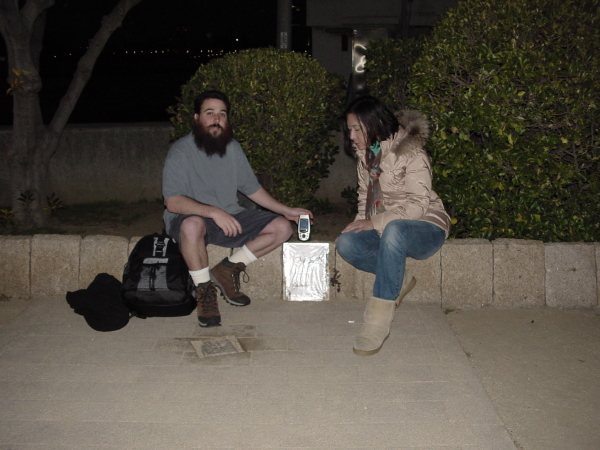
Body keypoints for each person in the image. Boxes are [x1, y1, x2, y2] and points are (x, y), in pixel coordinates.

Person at [162, 90, 312, 328]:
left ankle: (227, 269)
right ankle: (204, 291)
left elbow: (252, 189)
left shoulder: (232, 148)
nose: (216, 119)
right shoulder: (180, 151)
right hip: (193, 218)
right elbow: (173, 202)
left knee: (282, 228)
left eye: (222, 114)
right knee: (192, 225)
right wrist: (213, 212)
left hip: (230, 215)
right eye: (210, 113)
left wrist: (287, 210)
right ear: (196, 118)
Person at [336, 96, 451, 355]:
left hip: (426, 226)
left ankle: (377, 324)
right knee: (346, 243)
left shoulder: (412, 153)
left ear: (375, 124)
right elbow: (365, 197)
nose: (351, 136)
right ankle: (399, 278)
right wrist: (358, 224)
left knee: (395, 228)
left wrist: (374, 222)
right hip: (387, 226)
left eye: (357, 129)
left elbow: (418, 205)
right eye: (349, 129)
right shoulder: (367, 154)